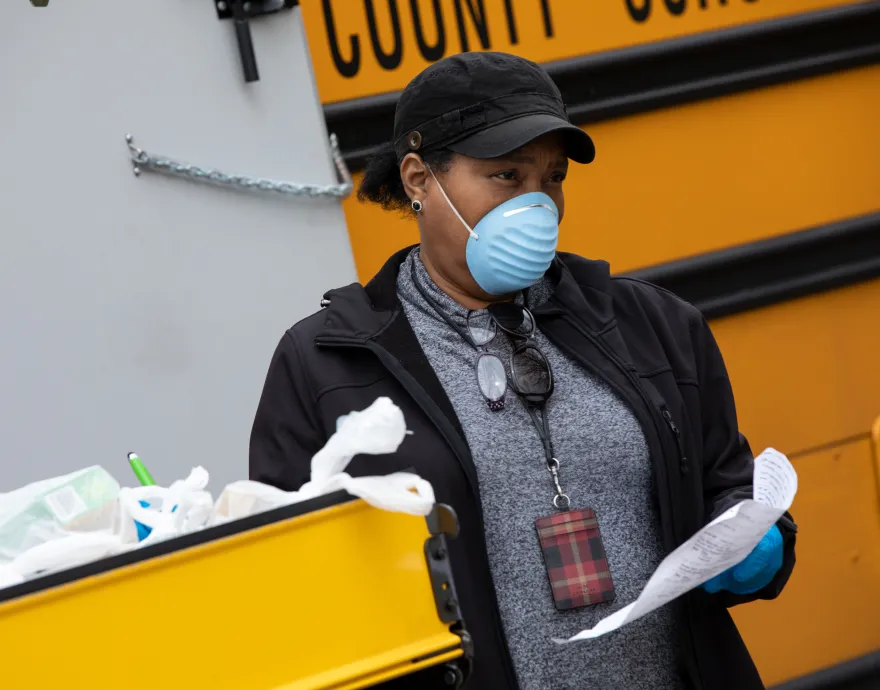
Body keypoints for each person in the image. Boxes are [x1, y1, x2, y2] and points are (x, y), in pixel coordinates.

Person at [249, 52, 796, 690]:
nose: (537, 207)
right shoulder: (325, 361)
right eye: (506, 177)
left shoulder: (655, 325)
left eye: (552, 179)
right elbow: (296, 583)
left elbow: (725, 485)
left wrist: (760, 541)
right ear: (420, 180)